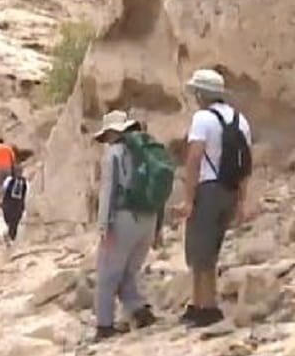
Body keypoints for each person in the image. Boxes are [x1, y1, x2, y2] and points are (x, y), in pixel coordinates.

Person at [176, 69, 253, 328]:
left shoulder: (202, 119)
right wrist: (242, 201)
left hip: (208, 189)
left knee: (200, 251)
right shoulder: (241, 121)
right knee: (211, 250)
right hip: (230, 190)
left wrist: (188, 198)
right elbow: (245, 165)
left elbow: (195, 157)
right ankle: (198, 304)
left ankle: (208, 308)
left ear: (202, 94)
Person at [91, 110, 164, 340]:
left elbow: (108, 191)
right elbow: (160, 189)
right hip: (148, 219)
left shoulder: (114, 153)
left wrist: (104, 225)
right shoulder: (148, 152)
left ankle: (104, 326)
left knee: (107, 275)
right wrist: (158, 227)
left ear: (112, 132)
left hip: (123, 219)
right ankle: (139, 312)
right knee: (128, 272)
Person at [0, 164, 28, 243]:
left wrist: (23, 205)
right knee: (8, 218)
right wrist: (2, 201)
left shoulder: (24, 182)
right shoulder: (9, 180)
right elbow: (4, 191)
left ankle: (11, 238)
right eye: (17, 171)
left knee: (15, 220)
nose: (18, 173)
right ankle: (9, 235)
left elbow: (25, 193)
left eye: (20, 171)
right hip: (9, 202)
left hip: (18, 204)